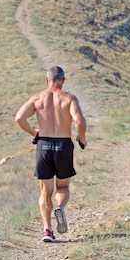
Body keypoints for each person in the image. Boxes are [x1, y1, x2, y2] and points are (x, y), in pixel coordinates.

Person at [15, 66, 87, 242]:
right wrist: (82, 137)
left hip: (44, 145)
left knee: (45, 191)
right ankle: (60, 207)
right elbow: (79, 120)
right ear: (63, 80)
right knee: (62, 187)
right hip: (63, 145)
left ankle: (47, 230)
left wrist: (34, 132)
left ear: (47, 80)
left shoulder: (37, 98)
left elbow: (19, 118)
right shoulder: (69, 98)